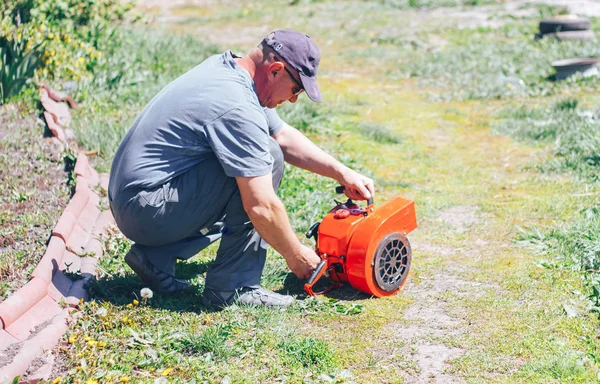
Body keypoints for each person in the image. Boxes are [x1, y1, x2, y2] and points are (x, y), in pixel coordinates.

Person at [108, 29, 374, 309]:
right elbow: (261, 206)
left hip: (136, 199)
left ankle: (156, 257)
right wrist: (297, 256)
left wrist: (341, 172)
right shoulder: (236, 103)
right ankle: (233, 287)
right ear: (275, 70)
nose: (294, 99)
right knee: (263, 163)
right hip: (145, 208)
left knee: (263, 153)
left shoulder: (231, 70)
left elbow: (281, 135)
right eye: (296, 89)